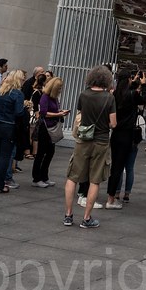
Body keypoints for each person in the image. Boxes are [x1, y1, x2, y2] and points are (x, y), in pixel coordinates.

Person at [63, 65, 116, 228]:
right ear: (107, 80)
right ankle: (86, 218)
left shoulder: (83, 94)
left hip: (83, 139)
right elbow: (113, 123)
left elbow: (80, 114)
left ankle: (68, 215)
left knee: (72, 177)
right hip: (101, 141)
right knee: (95, 180)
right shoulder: (109, 98)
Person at [106, 69, 146, 208]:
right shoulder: (132, 94)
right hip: (127, 134)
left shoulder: (115, 94)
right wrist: (143, 85)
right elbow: (143, 100)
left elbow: (128, 92)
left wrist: (134, 82)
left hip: (115, 133)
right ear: (128, 79)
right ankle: (111, 199)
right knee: (120, 167)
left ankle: (111, 195)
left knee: (115, 166)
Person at [33, 76, 68, 187]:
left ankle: (44, 176)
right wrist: (59, 114)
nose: (60, 90)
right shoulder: (45, 97)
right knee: (41, 153)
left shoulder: (54, 98)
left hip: (51, 126)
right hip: (45, 128)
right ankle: (37, 178)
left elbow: (52, 110)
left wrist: (60, 112)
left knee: (49, 153)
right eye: (59, 88)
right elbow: (44, 113)